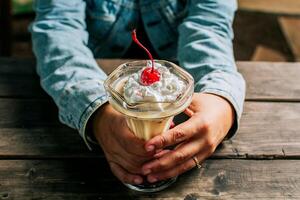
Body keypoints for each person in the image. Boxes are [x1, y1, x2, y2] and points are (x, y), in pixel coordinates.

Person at [30, 0, 245, 185]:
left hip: (172, 86)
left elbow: (209, 26)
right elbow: (58, 28)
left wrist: (221, 98)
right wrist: (96, 110)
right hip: (95, 78)